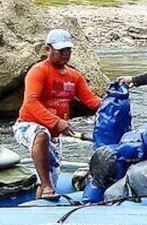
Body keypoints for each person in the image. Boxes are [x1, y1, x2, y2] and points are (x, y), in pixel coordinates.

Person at [14, 29, 102, 198]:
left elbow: (90, 99)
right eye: (61, 50)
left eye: (68, 50)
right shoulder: (38, 71)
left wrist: (112, 103)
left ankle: (43, 197)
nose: (65, 54)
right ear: (48, 49)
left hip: (54, 135)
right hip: (27, 126)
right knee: (41, 135)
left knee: (52, 177)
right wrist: (57, 122)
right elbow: (31, 102)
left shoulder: (74, 76)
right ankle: (46, 187)